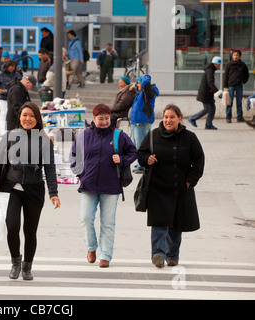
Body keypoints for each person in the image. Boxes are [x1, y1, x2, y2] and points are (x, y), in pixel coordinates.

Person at [0, 102, 60, 280]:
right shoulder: (9, 136)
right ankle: (15, 262)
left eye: (31, 116)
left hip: (34, 190)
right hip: (11, 188)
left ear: (37, 119)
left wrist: (53, 193)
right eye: (24, 115)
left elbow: (50, 168)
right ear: (19, 117)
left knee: (30, 230)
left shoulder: (44, 140)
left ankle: (27, 266)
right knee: (12, 227)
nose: (27, 119)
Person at [69, 104, 137, 268]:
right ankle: (91, 247)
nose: (104, 121)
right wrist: (80, 174)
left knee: (108, 223)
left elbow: (133, 152)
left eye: (107, 118)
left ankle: (105, 255)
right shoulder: (84, 135)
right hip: (88, 185)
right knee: (85, 219)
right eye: (101, 119)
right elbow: (73, 156)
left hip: (111, 186)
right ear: (94, 119)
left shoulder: (118, 135)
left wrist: (122, 160)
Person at [137, 104, 205, 268]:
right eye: (166, 117)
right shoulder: (153, 136)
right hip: (157, 188)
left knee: (176, 224)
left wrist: (190, 181)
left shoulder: (190, 138)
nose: (168, 120)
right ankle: (158, 254)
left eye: (172, 117)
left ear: (179, 119)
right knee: (159, 223)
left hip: (180, 188)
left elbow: (199, 161)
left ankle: (173, 255)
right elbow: (140, 154)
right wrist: (147, 159)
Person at [130, 74, 159, 173]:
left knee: (142, 145)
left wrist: (143, 77)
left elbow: (146, 81)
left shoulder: (149, 92)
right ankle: (140, 163)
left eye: (138, 83)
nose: (137, 85)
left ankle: (143, 165)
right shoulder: (140, 93)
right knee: (136, 145)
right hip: (136, 123)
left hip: (142, 123)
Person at [0, 60, 22, 137]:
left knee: (12, 113)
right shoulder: (0, 74)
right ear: (7, 66)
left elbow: (21, 82)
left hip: (13, 97)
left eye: (14, 67)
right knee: (4, 113)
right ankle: (2, 130)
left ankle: (12, 129)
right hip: (3, 97)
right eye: (11, 67)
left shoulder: (16, 74)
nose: (13, 68)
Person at [189, 56, 221, 130]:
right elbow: (210, 83)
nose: (219, 66)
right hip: (205, 93)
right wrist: (217, 92)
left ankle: (208, 125)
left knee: (212, 108)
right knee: (207, 109)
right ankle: (192, 119)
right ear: (215, 64)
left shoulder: (210, 69)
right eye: (218, 64)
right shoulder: (210, 70)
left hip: (208, 93)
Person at [223, 50, 249, 123]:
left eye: (237, 55)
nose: (235, 56)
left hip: (239, 86)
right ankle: (228, 117)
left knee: (239, 102)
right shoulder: (229, 64)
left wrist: (243, 81)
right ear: (232, 56)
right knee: (229, 102)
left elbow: (247, 75)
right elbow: (225, 76)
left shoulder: (243, 65)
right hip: (230, 86)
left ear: (240, 56)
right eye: (234, 55)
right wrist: (225, 86)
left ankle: (239, 117)